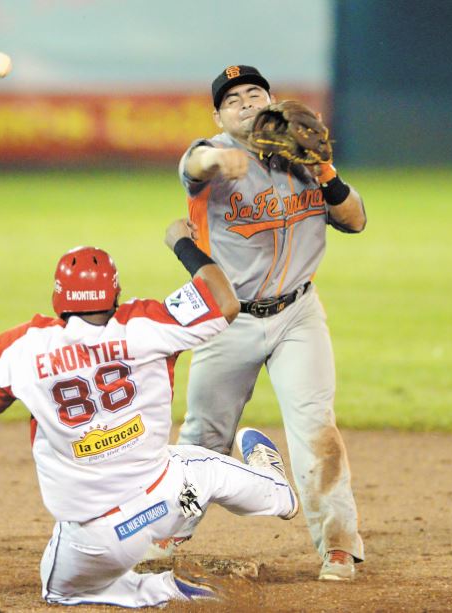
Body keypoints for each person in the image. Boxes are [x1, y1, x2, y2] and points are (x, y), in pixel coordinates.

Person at [0, 219, 299, 607]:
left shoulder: (24, 347)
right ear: (115, 292)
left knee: (58, 593)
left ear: (59, 298)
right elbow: (225, 302)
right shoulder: (144, 324)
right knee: (200, 464)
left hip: (90, 543)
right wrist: (181, 244)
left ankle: (156, 590)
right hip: (167, 502)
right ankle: (279, 492)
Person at [162, 65, 366, 581]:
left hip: (299, 313)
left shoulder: (300, 155)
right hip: (231, 320)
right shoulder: (207, 155)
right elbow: (196, 163)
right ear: (218, 115)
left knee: (316, 427)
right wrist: (219, 157)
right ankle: (167, 537)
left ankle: (338, 547)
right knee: (204, 436)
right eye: (233, 99)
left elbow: (355, 220)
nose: (246, 102)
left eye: (255, 93)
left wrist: (325, 170)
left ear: (271, 101)